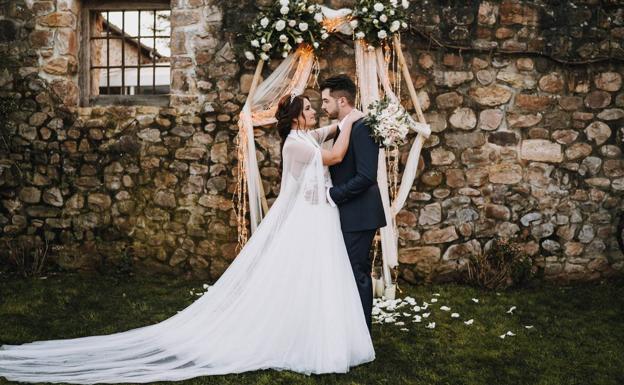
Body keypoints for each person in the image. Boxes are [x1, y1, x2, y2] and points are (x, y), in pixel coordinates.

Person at [0, 93, 373, 384]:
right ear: (296, 117)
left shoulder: (304, 136)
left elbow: (323, 135)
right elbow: (336, 154)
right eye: (309, 108)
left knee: (316, 277)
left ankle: (314, 332)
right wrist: (352, 119)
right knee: (303, 275)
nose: (315, 113)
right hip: (305, 220)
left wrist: (341, 121)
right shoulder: (295, 144)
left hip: (315, 218)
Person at [321, 74, 387, 333]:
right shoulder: (348, 125)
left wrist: (334, 195)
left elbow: (366, 176)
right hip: (350, 212)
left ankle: (362, 333)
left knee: (356, 272)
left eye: (326, 101)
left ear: (342, 100)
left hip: (360, 213)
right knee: (347, 271)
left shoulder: (362, 127)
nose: (323, 106)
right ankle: (350, 329)